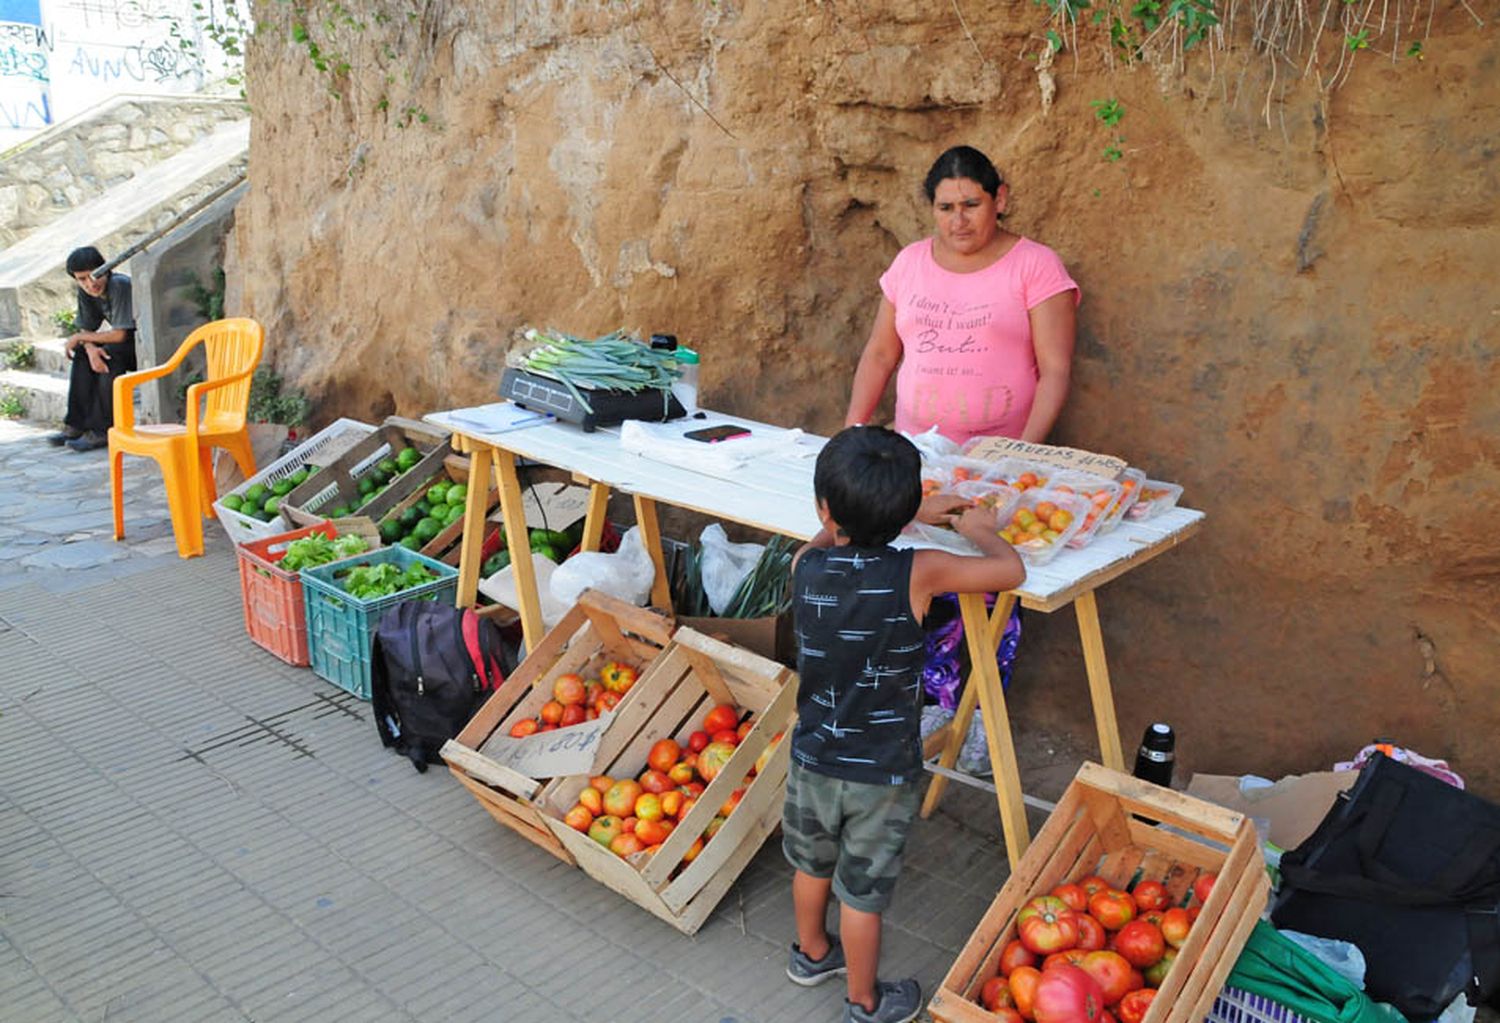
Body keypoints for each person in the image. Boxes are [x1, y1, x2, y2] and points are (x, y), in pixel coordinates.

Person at [841, 146, 1081, 768]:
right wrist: (852, 434)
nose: (959, 220)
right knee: (913, 579)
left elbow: (1055, 371)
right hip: (915, 459)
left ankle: (972, 713)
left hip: (997, 468)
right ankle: (914, 705)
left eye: (971, 204)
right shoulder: (910, 265)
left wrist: (1018, 455)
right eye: (945, 207)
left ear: (999, 198)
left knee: (980, 589)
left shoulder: (1035, 267)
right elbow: (878, 355)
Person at [782, 426, 1025, 1023]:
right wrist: (978, 530)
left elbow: (830, 537)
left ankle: (812, 953)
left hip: (811, 756)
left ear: (822, 507)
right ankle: (864, 1003)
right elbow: (1009, 572)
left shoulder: (804, 564)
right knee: (861, 893)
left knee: (811, 863)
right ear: (903, 514)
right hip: (880, 773)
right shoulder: (918, 573)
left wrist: (894, 512)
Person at [49, 246, 138, 452]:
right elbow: (86, 327)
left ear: (105, 269)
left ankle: (102, 430)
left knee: (109, 355)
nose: (91, 283)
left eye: (94, 275)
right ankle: (76, 424)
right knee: (84, 353)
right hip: (121, 343)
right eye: (82, 279)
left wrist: (81, 338)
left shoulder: (119, 285)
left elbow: (120, 335)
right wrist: (89, 348)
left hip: (142, 345)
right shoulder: (86, 292)